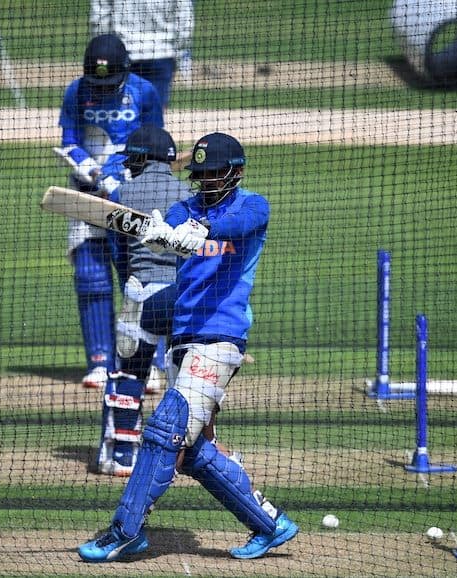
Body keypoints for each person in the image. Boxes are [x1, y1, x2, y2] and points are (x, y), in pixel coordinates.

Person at [78, 133, 299, 562]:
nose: (209, 180)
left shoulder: (254, 206)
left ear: (236, 172)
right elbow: (173, 224)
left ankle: (125, 530)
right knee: (191, 451)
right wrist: (164, 232)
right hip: (183, 339)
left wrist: (197, 233)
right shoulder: (185, 208)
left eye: (217, 172)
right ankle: (270, 525)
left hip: (221, 337)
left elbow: (234, 227)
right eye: (201, 175)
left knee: (164, 430)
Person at [56, 33, 164, 389]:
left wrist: (122, 177)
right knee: (90, 274)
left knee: (140, 278)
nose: (103, 89)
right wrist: (90, 170)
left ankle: (146, 364)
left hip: (134, 196)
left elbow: (155, 142)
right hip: (87, 195)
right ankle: (100, 362)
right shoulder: (75, 91)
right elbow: (70, 141)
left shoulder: (145, 92)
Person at [97, 124, 191, 477]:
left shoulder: (123, 193)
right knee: (184, 379)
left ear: (138, 159)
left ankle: (123, 454)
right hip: (181, 298)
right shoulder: (187, 194)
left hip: (139, 293)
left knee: (129, 373)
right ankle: (183, 454)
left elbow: (117, 253)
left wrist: (131, 283)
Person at [90, 1, 194, 110]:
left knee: (124, 113)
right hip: (162, 53)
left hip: (124, 54)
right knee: (154, 115)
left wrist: (104, 49)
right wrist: (178, 52)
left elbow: (100, 17)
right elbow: (185, 20)